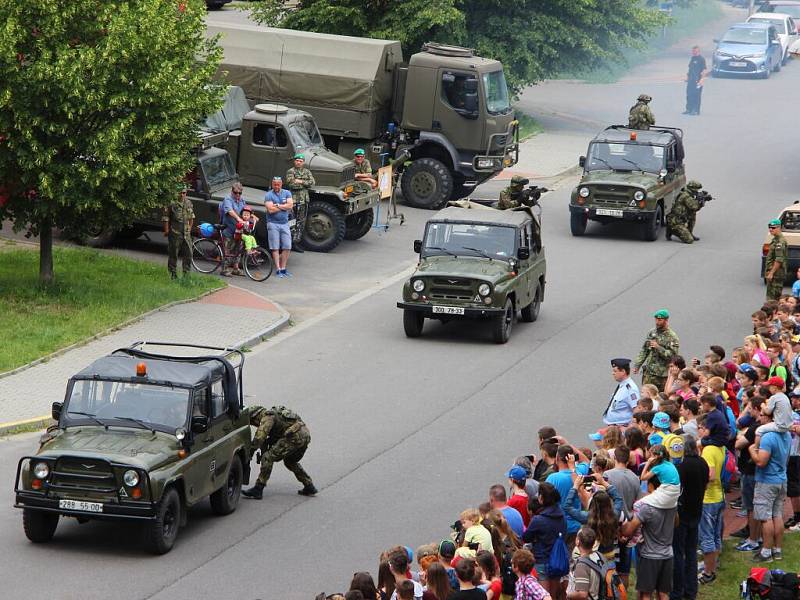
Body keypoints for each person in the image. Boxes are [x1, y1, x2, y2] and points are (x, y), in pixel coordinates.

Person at [241, 405, 317, 499]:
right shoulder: (275, 415)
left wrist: (250, 452)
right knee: (290, 461)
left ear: (255, 417)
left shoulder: (267, 417)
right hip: (304, 435)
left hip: (294, 436)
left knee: (268, 457)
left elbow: (259, 438)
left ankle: (258, 489)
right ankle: (309, 486)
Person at [621, 475, 677, 600]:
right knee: (663, 593)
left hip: (650, 556)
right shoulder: (672, 504)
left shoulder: (647, 507)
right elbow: (676, 522)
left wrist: (622, 522)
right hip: (668, 554)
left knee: (646, 593)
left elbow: (629, 530)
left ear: (651, 486)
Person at [750, 404, 792, 563]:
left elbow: (761, 462)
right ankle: (777, 549)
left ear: (770, 418)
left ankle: (766, 552)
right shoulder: (786, 434)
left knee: (765, 517)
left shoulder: (768, 437)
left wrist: (752, 451)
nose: (759, 418)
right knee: (777, 515)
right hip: (781, 479)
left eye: (762, 415)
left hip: (767, 481)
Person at [671, 435, 708, 600]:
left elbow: (677, 492)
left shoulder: (681, 468)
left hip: (682, 515)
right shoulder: (703, 464)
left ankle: (677, 591)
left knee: (678, 554)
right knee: (691, 553)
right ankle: (691, 590)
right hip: (697, 512)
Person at [522, 482, 566, 598]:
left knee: (544, 595)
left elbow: (526, 537)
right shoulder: (561, 515)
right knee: (554, 594)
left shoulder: (538, 520)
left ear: (541, 498)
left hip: (542, 560)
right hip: (558, 560)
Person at [696, 415, 725, 584]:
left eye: (701, 427)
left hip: (709, 498)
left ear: (708, 430)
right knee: (715, 535)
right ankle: (713, 565)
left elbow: (711, 475)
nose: (698, 430)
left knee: (706, 537)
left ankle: (708, 573)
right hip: (719, 496)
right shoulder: (719, 447)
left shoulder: (708, 450)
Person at [634, 310, 681, 391]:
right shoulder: (652, 333)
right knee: (646, 397)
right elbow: (645, 350)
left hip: (663, 376)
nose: (657, 322)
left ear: (666, 320)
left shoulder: (672, 337)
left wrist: (658, 347)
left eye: (660, 320)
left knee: (662, 399)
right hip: (649, 373)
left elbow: (673, 357)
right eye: (656, 319)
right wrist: (637, 365)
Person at [162, 184, 195, 279]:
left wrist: (189, 228)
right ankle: (172, 274)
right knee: (173, 254)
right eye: (180, 193)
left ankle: (186, 275)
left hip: (186, 234)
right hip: (175, 232)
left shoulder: (188, 203)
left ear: (186, 193)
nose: (182, 195)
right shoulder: (171, 203)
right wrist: (167, 230)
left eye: (184, 193)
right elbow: (166, 218)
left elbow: (191, 217)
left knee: (188, 254)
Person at [265, 176, 294, 278]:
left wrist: (277, 205)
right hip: (272, 223)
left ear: (281, 184)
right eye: (274, 184)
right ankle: (278, 269)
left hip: (284, 223)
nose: (276, 186)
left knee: (287, 246)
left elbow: (290, 206)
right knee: (275, 247)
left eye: (278, 184)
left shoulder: (287, 193)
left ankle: (283, 268)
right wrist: (283, 206)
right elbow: (270, 210)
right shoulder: (268, 195)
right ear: (272, 184)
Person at [285, 153, 315, 253]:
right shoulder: (290, 171)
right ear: (294, 161)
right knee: (292, 222)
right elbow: (292, 185)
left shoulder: (307, 171)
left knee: (301, 222)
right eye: (297, 160)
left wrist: (300, 181)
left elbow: (312, 183)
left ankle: (296, 242)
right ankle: (290, 243)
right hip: (294, 201)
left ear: (303, 162)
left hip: (304, 200)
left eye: (300, 161)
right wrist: (303, 183)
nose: (298, 162)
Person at [601, 358, 640, 428]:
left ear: (623, 371)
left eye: (615, 371)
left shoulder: (631, 389)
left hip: (621, 428)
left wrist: (629, 428)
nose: (613, 373)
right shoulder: (622, 385)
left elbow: (637, 410)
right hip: (613, 428)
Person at [566, 527, 602, 600]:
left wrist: (568, 595)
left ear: (578, 541)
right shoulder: (599, 556)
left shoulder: (582, 565)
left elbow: (582, 594)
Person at [220, 182, 246, 276]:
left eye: (240, 193)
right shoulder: (228, 199)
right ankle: (224, 269)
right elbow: (230, 211)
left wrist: (252, 216)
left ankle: (236, 268)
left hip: (239, 230)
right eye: (236, 192)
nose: (237, 195)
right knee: (228, 250)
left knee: (238, 249)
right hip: (229, 228)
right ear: (232, 191)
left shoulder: (242, 200)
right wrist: (238, 218)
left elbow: (245, 211)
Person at [765, 219, 788, 301]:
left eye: (773, 227)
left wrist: (771, 273)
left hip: (776, 274)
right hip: (774, 273)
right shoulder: (775, 240)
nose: (771, 229)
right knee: (770, 297)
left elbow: (779, 259)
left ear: (779, 228)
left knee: (774, 299)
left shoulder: (780, 242)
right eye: (770, 227)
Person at [683, 46, 707, 116]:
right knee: (689, 95)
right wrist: (687, 78)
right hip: (691, 80)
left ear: (698, 51)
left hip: (698, 81)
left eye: (695, 51)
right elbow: (690, 69)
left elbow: (704, 70)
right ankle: (689, 109)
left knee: (696, 95)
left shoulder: (701, 59)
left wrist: (702, 80)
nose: (694, 52)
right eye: (693, 51)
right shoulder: (692, 58)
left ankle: (695, 110)